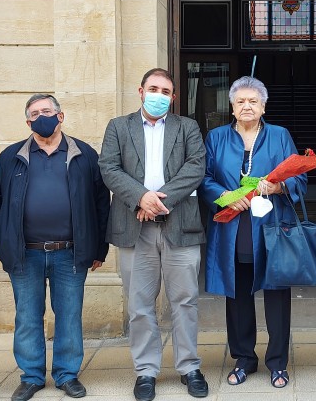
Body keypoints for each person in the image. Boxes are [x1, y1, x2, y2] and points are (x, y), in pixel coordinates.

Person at [0, 94, 110, 401]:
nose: (41, 116)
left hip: (70, 251)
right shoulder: (10, 156)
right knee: (27, 317)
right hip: (24, 252)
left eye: (47, 111)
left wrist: (99, 247)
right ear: (27, 121)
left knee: (69, 315)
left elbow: (100, 203)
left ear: (60, 116)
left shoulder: (84, 154)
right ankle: (31, 376)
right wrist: (1, 239)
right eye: (34, 113)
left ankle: (67, 375)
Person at [98, 68, 208, 401]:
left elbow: (195, 168)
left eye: (166, 91)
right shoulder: (119, 126)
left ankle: (189, 367)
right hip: (136, 229)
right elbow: (109, 167)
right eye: (153, 89)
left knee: (185, 301)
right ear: (141, 90)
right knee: (140, 305)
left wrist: (158, 201)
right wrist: (140, 197)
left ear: (173, 96)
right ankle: (146, 370)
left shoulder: (187, 127)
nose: (159, 95)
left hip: (181, 226)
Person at [198, 76, 306, 389]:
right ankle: (244, 358)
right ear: (231, 107)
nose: (247, 106)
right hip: (234, 226)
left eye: (253, 101)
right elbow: (204, 179)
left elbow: (299, 177)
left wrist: (279, 185)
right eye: (241, 101)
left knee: (277, 296)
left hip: (271, 228)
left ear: (263, 106)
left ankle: (278, 363)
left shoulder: (279, 135)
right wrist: (230, 196)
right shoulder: (217, 137)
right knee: (239, 296)